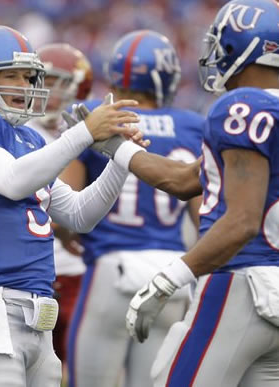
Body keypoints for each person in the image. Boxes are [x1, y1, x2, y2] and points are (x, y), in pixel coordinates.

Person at [0, 25, 144, 387]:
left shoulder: (30, 138)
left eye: (29, 76)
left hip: (39, 313)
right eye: (12, 75)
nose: (25, 86)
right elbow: (11, 181)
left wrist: (120, 159)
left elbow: (78, 215)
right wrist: (84, 132)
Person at [122, 0, 279, 386]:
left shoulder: (243, 104)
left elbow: (242, 221)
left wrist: (170, 278)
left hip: (240, 282)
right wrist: (118, 149)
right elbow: (186, 180)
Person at [61, 30, 204, 387]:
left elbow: (63, 199)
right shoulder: (193, 125)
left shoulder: (96, 115)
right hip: (171, 273)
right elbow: (205, 217)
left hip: (112, 269)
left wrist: (67, 236)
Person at [28, 42, 93, 378]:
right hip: (35, 268)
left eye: (58, 81)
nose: (47, 90)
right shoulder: (24, 131)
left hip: (74, 268)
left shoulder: (77, 134)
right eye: (43, 80)